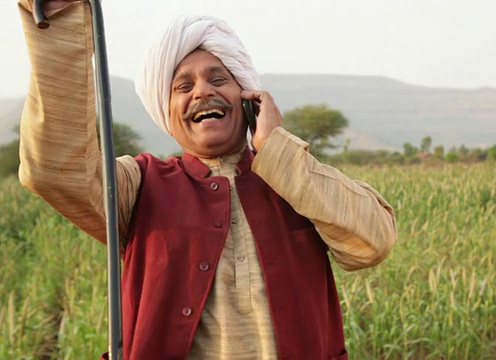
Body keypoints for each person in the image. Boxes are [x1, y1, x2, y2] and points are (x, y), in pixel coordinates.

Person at [16, 1, 397, 359]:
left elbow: (373, 241)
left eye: (219, 79)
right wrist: (60, 19)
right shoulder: (139, 184)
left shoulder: (295, 179)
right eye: (183, 86)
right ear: (167, 114)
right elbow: (53, 168)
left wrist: (276, 147)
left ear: (250, 99)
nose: (203, 91)